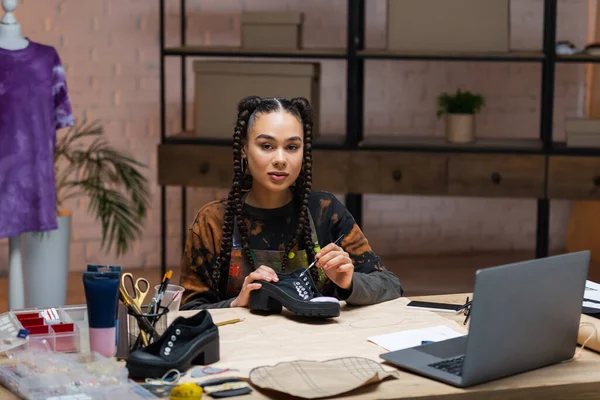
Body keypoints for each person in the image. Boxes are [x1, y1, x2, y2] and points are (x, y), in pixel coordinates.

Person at [179, 96, 403, 310]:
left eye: (292, 147)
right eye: (266, 146)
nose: (280, 159)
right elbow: (189, 310)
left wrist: (349, 282)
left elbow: (390, 285)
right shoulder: (213, 221)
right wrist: (236, 304)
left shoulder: (325, 211)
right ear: (244, 150)